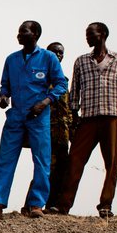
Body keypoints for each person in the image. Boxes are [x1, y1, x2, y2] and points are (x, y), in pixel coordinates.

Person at [0, 20, 68, 219]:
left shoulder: (49, 58)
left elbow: (61, 84)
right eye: (18, 32)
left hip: (38, 116)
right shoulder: (11, 59)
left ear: (35, 34)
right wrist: (3, 96)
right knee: (5, 159)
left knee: (42, 160)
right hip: (16, 116)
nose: (18, 35)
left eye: (23, 32)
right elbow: (4, 84)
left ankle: (36, 205)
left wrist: (44, 102)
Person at [55, 23, 117, 218]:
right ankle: (63, 205)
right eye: (86, 34)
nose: (87, 37)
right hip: (88, 118)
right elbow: (74, 91)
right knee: (74, 160)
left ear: (103, 35)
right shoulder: (81, 61)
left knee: (111, 163)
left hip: (112, 117)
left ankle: (105, 205)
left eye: (91, 34)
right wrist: (74, 116)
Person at [44, 42, 73, 212]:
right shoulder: (40, 78)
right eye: (54, 52)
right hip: (46, 131)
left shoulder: (63, 80)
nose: (58, 55)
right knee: (46, 169)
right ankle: (32, 204)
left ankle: (53, 205)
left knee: (62, 169)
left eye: (61, 53)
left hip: (63, 133)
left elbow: (69, 108)